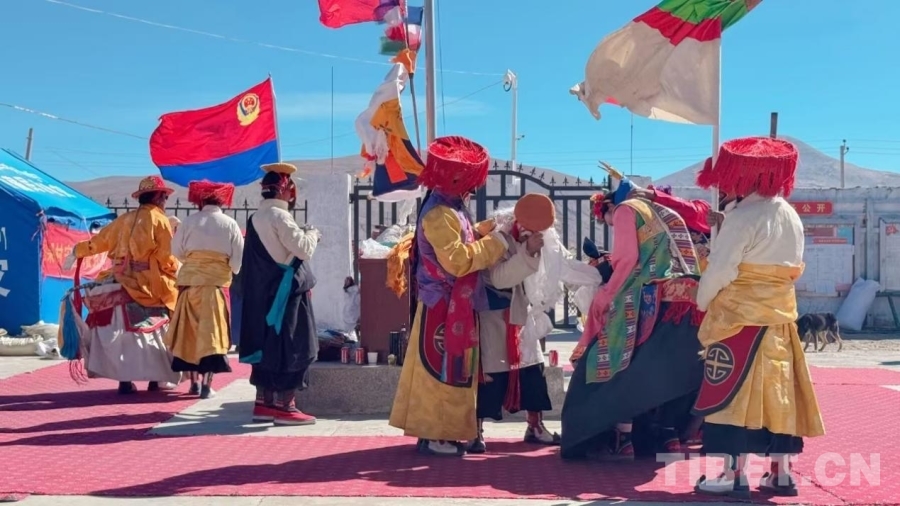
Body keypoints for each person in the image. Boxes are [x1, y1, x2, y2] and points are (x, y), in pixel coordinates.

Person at [691, 137, 825, 499]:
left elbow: (721, 270)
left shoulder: (743, 217)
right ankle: (781, 473)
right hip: (779, 319)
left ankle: (733, 475)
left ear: (744, 176)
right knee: (780, 394)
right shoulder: (790, 215)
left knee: (734, 395)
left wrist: (702, 300)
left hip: (739, 319)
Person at [561, 165, 705, 461]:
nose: (610, 225)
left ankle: (620, 440)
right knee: (667, 373)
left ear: (608, 206)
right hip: (687, 302)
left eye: (606, 220)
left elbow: (627, 259)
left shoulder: (626, 210)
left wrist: (606, 295)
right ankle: (668, 437)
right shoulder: (663, 212)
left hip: (654, 299)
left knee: (616, 365)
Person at [389, 135, 509, 457]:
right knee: (440, 370)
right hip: (442, 304)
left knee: (453, 369)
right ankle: (435, 434)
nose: (473, 187)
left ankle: (449, 431)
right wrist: (496, 244)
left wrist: (490, 228)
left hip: (455, 302)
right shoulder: (439, 213)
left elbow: (464, 238)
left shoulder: (451, 207)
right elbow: (457, 260)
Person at [62, 175, 181, 394]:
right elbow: (165, 257)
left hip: (119, 278)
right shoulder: (160, 220)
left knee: (122, 334)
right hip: (148, 285)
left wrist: (77, 251)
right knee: (172, 310)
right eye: (164, 196)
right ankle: (157, 379)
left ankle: (124, 381)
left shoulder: (123, 219)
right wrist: (177, 268)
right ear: (156, 197)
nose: (165, 200)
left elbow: (99, 242)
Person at [469, 194, 560, 454]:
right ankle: (475, 431)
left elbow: (556, 267)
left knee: (532, 370)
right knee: (490, 375)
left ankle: (535, 426)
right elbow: (498, 278)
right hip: (493, 315)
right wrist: (527, 251)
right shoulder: (496, 239)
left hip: (522, 314)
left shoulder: (540, 236)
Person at [238, 162, 321, 426]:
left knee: (267, 346)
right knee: (294, 345)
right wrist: (313, 234)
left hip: (264, 293)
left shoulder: (255, 218)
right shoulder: (280, 217)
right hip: (286, 296)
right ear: (285, 190)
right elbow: (303, 249)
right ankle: (286, 407)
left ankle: (264, 403)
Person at [165, 180, 244, 399]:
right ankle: (207, 387)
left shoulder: (189, 222)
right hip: (215, 288)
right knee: (212, 335)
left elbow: (176, 251)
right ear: (222, 201)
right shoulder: (230, 224)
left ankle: (194, 384)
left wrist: (194, 261)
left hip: (190, 285)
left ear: (199, 202)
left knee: (189, 333)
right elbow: (237, 261)